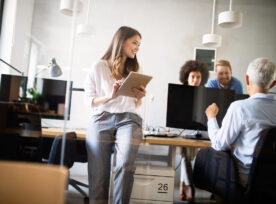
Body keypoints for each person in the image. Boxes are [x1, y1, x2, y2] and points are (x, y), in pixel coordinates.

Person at [84, 26, 146, 204]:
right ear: (121, 41)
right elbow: (89, 100)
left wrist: (139, 97)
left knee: (125, 164)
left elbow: (136, 104)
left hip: (128, 118)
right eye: (134, 42)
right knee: (98, 171)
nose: (137, 47)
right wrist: (110, 96)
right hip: (101, 118)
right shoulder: (99, 66)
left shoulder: (136, 68)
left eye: (139, 44)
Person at [205, 57, 276, 188]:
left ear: (247, 79)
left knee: (207, 154)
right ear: (273, 84)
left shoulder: (239, 107)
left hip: (245, 180)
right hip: (272, 181)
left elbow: (218, 144)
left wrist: (211, 118)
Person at [178, 60, 209, 202]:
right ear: (187, 77)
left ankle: (182, 184)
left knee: (190, 159)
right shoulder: (180, 91)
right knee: (184, 157)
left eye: (198, 77)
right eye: (193, 77)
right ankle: (191, 187)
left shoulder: (205, 93)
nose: (196, 80)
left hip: (197, 131)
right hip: (181, 130)